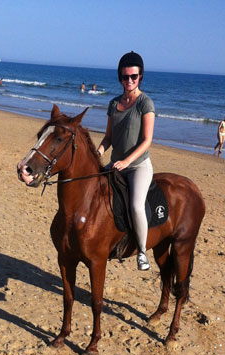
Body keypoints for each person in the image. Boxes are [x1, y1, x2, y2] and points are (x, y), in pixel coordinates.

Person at [96, 51, 155, 271]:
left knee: (136, 205)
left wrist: (127, 161)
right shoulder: (113, 104)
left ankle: (142, 251)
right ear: (120, 77)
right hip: (116, 165)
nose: (129, 80)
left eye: (134, 76)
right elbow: (109, 137)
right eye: (125, 76)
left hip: (138, 166)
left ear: (140, 76)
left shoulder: (145, 103)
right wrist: (98, 151)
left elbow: (147, 141)